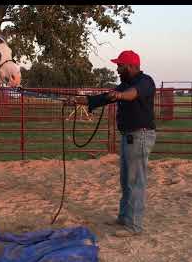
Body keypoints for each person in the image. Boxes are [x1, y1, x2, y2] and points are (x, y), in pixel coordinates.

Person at [65, 50, 157, 237]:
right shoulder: (124, 84)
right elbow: (102, 98)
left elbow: (133, 94)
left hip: (140, 136)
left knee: (135, 181)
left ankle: (134, 226)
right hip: (129, 136)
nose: (117, 69)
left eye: (120, 65)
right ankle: (124, 218)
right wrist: (78, 101)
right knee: (126, 180)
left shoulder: (145, 82)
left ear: (130, 66)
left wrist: (120, 96)